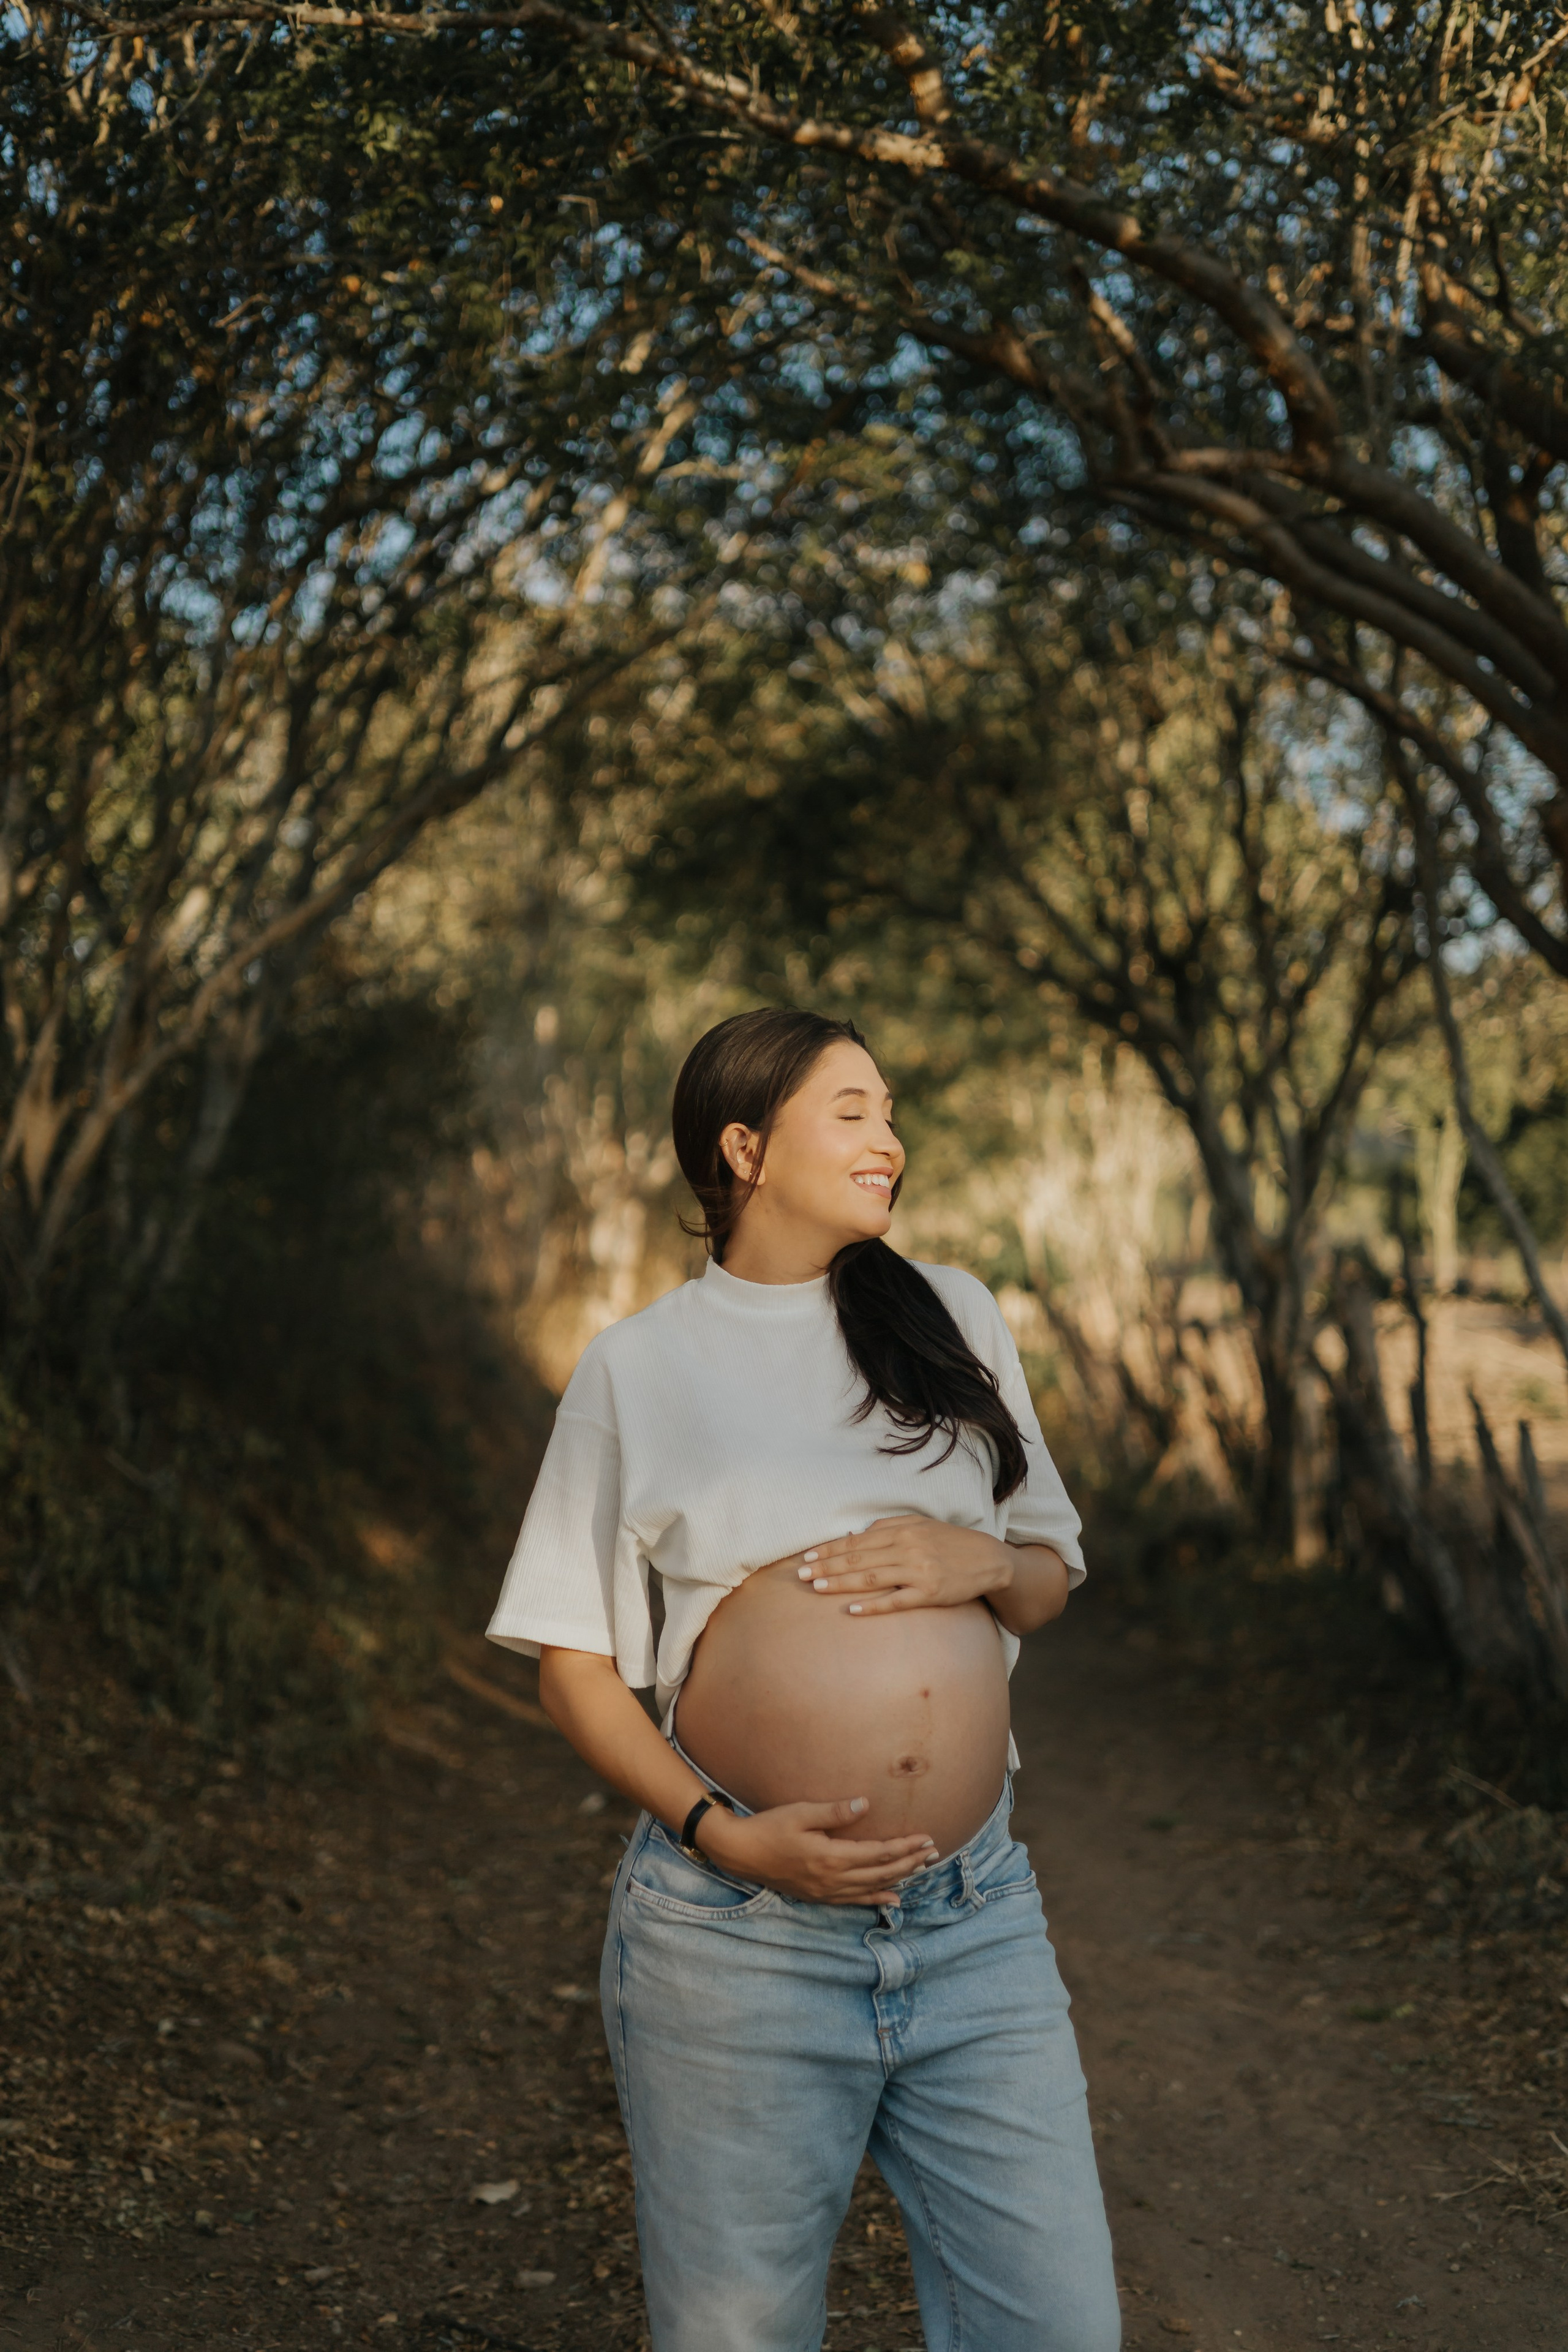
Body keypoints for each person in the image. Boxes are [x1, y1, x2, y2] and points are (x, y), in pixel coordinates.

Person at [486, 1008, 1120, 2352]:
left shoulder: (951, 1317)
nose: (888, 1140)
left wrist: (977, 1562)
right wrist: (726, 1836)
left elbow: (1047, 1573)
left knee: (1055, 2326)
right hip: (737, 1942)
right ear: (744, 1146)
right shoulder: (637, 1368)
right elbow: (575, 1668)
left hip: (973, 1923)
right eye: (852, 1111)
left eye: (891, 1111)